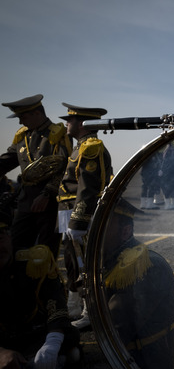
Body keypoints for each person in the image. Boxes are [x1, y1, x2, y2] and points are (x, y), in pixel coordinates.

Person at [0, 193, 80, 369]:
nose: (0, 245)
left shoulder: (32, 262)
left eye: (2, 234)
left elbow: (55, 303)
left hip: (31, 334)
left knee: (70, 341)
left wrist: (53, 341)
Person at [102, 198, 174, 369]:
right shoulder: (110, 256)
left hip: (142, 360)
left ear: (125, 231)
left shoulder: (143, 265)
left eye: (105, 227)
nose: (96, 231)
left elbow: (118, 326)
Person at [56, 103, 113, 327]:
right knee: (72, 261)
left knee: (87, 264)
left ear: (82, 124)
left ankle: (93, 312)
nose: (66, 124)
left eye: (69, 120)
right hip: (66, 212)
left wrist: (79, 220)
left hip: (78, 214)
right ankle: (75, 305)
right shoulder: (79, 146)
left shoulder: (91, 147)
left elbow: (89, 188)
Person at [0, 94, 72, 258]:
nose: (20, 122)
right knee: (16, 251)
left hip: (49, 206)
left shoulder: (58, 134)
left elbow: (66, 167)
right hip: (26, 204)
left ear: (37, 113)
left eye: (23, 117)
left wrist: (47, 194)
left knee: (45, 256)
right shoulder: (22, 137)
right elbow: (6, 161)